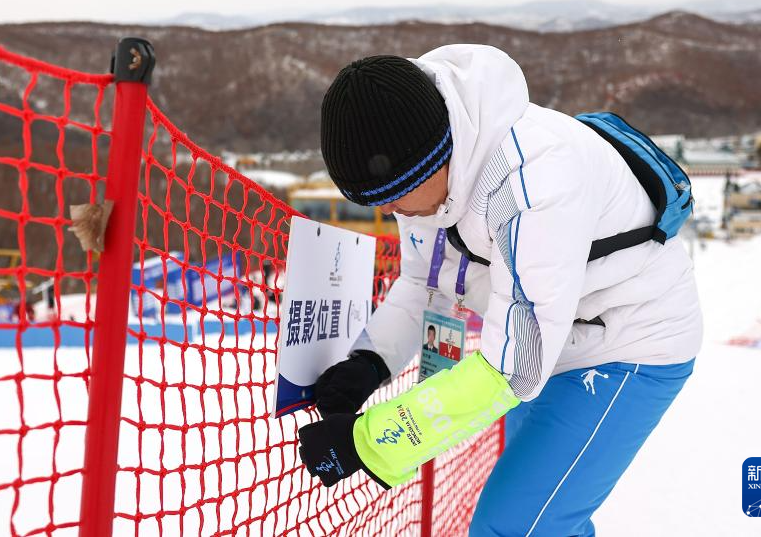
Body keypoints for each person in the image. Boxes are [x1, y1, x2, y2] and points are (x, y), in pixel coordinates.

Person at [297, 45, 702, 536]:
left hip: (627, 341)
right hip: (544, 341)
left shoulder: (534, 181)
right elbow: (425, 284)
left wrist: (368, 442)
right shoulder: (425, 181)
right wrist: (369, 362)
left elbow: (514, 369)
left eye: (393, 196)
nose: (389, 212)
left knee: (513, 527)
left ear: (433, 160)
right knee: (536, 517)